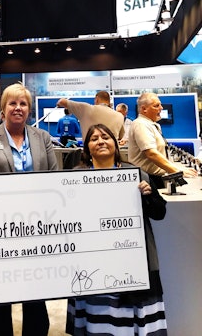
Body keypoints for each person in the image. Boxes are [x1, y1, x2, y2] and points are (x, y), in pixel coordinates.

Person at [66, 123, 168, 336]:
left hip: (134, 263)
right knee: (98, 323)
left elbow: (159, 213)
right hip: (93, 264)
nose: (100, 141)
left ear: (115, 143)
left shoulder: (136, 174)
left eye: (105, 137)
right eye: (94, 139)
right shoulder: (74, 178)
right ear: (87, 148)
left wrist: (148, 195)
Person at [0, 83, 57, 336]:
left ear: (29, 110)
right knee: (1, 300)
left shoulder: (42, 137)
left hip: (37, 227)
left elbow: (53, 178)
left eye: (23, 104)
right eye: (12, 103)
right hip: (0, 228)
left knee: (36, 295)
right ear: (3, 109)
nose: (18, 108)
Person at [127, 92, 197, 188]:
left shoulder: (152, 124)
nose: (161, 108)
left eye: (160, 105)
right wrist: (177, 171)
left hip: (156, 178)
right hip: (149, 181)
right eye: (156, 106)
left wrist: (177, 168)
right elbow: (151, 153)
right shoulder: (141, 124)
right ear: (144, 109)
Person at [57, 91, 124, 141]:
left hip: (91, 154)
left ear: (96, 99)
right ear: (109, 101)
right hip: (112, 154)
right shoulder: (120, 116)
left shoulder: (86, 109)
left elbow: (61, 101)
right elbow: (121, 136)